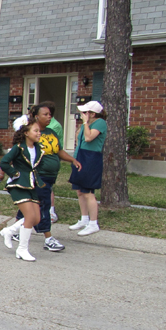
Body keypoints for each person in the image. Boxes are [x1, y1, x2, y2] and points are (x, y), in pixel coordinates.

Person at [0, 105, 81, 252]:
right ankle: (46, 239)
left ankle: (13, 231)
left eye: (51, 114)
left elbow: (58, 151)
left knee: (32, 213)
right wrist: (11, 173)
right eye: (46, 114)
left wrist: (72, 160)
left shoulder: (47, 136)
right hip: (34, 178)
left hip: (46, 178)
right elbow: (11, 158)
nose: (49, 117)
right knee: (42, 209)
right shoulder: (25, 143)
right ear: (36, 117)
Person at [0, 117, 45, 261]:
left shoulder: (37, 148)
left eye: (39, 131)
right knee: (30, 217)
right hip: (18, 185)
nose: (39, 133)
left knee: (36, 219)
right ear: (26, 132)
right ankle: (22, 249)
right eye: (35, 130)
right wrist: (15, 173)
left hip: (31, 184)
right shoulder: (18, 148)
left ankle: (9, 231)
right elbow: (4, 162)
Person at [69, 100, 108, 236]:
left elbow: (89, 138)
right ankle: (84, 219)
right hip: (80, 156)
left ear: (93, 113)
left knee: (88, 191)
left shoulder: (100, 123)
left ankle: (93, 223)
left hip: (91, 158)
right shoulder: (88, 124)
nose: (83, 114)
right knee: (79, 190)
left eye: (86, 112)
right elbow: (78, 138)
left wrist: (85, 123)